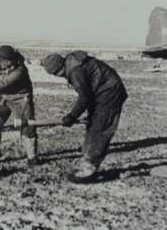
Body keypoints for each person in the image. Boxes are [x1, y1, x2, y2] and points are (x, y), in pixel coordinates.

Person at [40, 51, 128, 182]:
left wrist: (72, 116)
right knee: (93, 125)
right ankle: (87, 159)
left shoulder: (76, 72)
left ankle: (89, 167)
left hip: (110, 93)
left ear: (60, 68)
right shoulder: (73, 64)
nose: (59, 76)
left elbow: (84, 98)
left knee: (100, 128)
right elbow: (89, 94)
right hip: (102, 92)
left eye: (56, 74)